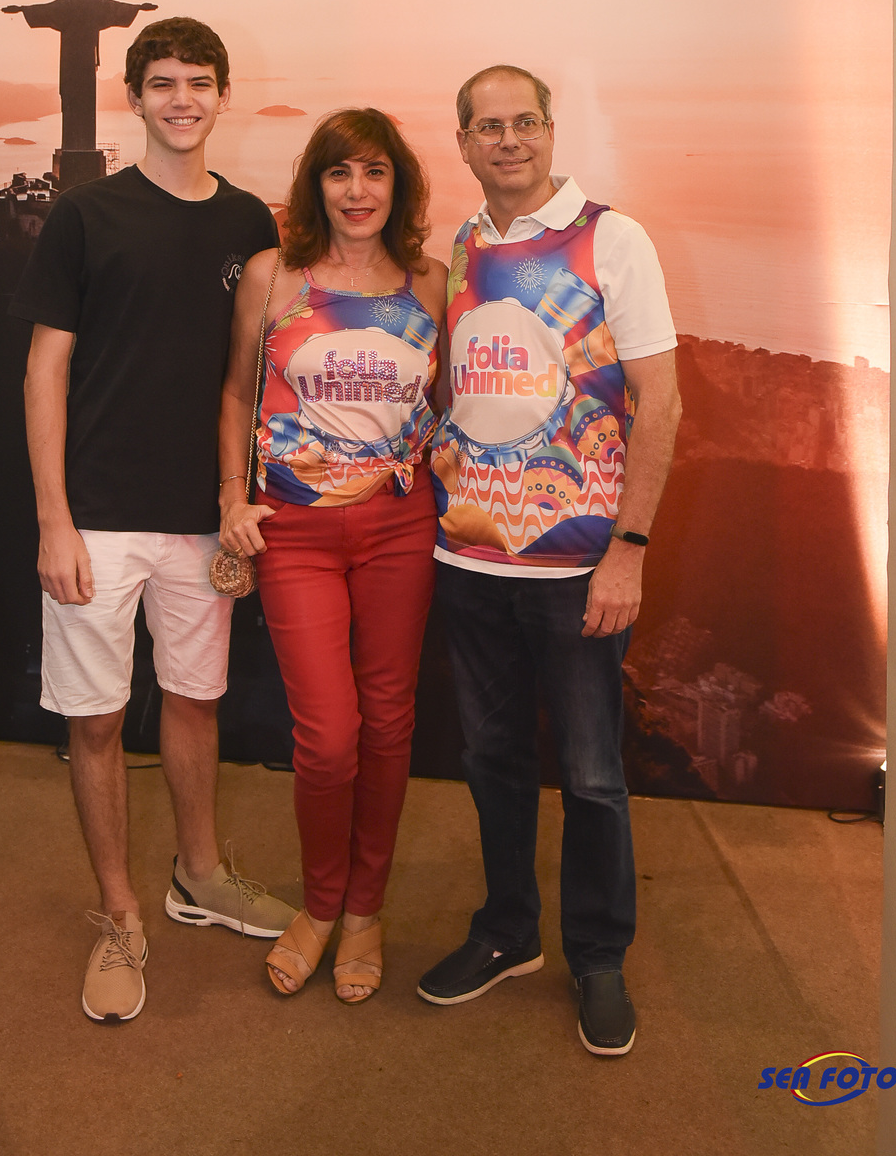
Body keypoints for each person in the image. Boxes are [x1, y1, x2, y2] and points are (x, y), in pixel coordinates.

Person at [11, 15, 295, 1025]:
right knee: (94, 722)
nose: (182, 99)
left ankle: (198, 875)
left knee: (195, 700)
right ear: (134, 97)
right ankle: (121, 913)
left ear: (223, 96)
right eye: (163, 82)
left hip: (200, 520)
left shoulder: (250, 224)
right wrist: (54, 520)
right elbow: (45, 371)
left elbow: (253, 382)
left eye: (199, 82)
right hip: (95, 515)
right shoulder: (86, 216)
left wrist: (237, 501)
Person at [416, 65, 681, 1057]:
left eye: (523, 121)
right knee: (491, 759)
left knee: (593, 773)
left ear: (550, 129)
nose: (508, 140)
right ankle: (508, 932)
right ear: (464, 142)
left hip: (579, 568)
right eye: (487, 127)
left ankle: (599, 956)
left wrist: (629, 551)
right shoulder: (464, 247)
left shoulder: (613, 238)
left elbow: (662, 403)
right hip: (473, 556)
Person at [219, 109, 447, 1002]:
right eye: (340, 172)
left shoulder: (430, 283)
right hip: (295, 529)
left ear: (399, 185)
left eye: (375, 172)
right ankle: (320, 905)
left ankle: (363, 912)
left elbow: (451, 405)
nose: (358, 191)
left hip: (400, 525)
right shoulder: (275, 276)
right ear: (316, 185)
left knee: (388, 723)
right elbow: (237, 393)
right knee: (326, 737)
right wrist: (231, 496)